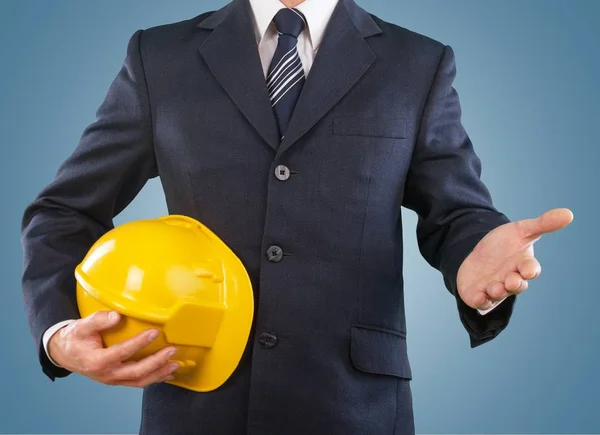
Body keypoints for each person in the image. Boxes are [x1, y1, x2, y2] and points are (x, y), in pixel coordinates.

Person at [20, 0, 573, 433]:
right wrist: (62, 331)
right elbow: (65, 211)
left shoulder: (418, 63)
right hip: (193, 398)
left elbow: (457, 213)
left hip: (355, 407)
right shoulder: (159, 56)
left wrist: (476, 258)